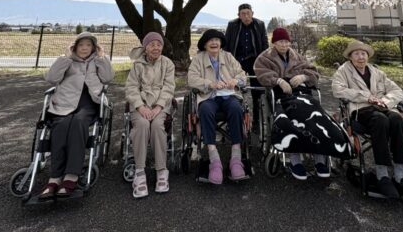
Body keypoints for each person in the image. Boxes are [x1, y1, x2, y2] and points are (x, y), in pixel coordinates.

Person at [331, 40, 403, 200]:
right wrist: (367, 97)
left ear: (367, 56)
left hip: (384, 107)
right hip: (361, 110)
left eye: (363, 54)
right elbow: (337, 90)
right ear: (350, 57)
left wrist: (386, 101)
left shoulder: (376, 71)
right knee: (380, 120)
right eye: (356, 54)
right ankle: (383, 176)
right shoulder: (343, 71)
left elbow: (397, 91)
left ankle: (401, 176)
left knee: (398, 120)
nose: (361, 57)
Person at [254, 27, 350, 180]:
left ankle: (320, 159)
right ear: (273, 43)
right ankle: (295, 161)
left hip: (304, 95)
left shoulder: (297, 56)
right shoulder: (264, 58)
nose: (284, 45)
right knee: (291, 120)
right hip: (282, 97)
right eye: (280, 42)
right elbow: (261, 73)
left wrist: (304, 77)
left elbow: (313, 71)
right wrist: (278, 80)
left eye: (286, 42)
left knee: (318, 119)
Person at [38, 32, 114, 199]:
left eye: (88, 45)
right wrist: (64, 58)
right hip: (65, 102)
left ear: (94, 48)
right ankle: (55, 178)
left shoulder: (96, 61)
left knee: (78, 124)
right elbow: (51, 78)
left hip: (89, 103)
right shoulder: (67, 61)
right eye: (81, 45)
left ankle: (71, 176)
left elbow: (108, 78)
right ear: (75, 47)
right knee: (61, 126)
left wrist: (102, 58)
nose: (85, 48)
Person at [187, 29, 249, 184]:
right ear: (205, 44)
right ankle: (214, 159)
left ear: (221, 43)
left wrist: (236, 81)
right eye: (210, 40)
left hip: (229, 96)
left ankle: (236, 157)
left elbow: (243, 76)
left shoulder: (228, 57)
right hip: (209, 97)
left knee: (236, 109)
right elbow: (192, 79)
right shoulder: (198, 59)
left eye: (217, 40)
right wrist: (210, 84)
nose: (214, 43)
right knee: (205, 110)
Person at [125, 31, 176, 199]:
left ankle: (161, 170)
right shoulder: (137, 65)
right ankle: (139, 171)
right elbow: (131, 88)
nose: (156, 48)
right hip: (141, 105)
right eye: (152, 44)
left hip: (160, 106)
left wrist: (159, 107)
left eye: (159, 44)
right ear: (145, 48)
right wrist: (140, 107)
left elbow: (169, 87)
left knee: (157, 126)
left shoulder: (167, 63)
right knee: (142, 124)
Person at [225, 3, 268, 127]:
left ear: (252, 14)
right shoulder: (232, 25)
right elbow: (227, 44)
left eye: (248, 13)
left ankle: (256, 121)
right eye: (243, 14)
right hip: (237, 61)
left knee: (257, 92)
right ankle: (234, 119)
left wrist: (264, 60)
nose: (246, 16)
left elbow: (264, 44)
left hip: (255, 60)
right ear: (238, 15)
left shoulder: (259, 24)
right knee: (234, 89)